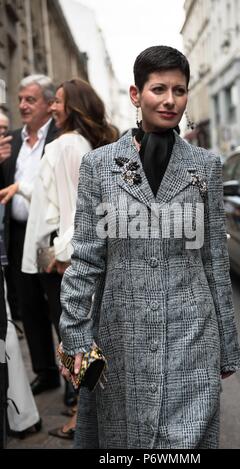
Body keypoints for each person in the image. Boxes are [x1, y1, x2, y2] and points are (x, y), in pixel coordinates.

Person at [59, 45, 240, 449]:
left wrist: (227, 344)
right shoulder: (99, 165)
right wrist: (74, 331)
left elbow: (214, 259)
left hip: (192, 331)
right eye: (158, 88)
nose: (170, 99)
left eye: (179, 90)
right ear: (135, 94)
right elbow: (87, 256)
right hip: (122, 332)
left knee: (186, 441)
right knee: (129, 440)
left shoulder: (206, 166)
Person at [21, 78, 117, 439]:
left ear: (73, 106)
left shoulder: (66, 146)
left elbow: (75, 209)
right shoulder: (82, 144)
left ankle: (81, 418)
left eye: (59, 101)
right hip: (68, 256)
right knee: (79, 336)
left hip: (65, 261)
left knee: (74, 340)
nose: (54, 107)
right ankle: (84, 411)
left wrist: (62, 257)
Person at [0, 75, 60, 394]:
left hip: (50, 236)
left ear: (50, 105)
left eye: (30, 100)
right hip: (19, 235)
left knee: (59, 306)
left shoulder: (61, 138)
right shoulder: (11, 140)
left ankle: (73, 380)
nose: (22, 105)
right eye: (20, 98)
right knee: (30, 306)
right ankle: (46, 372)